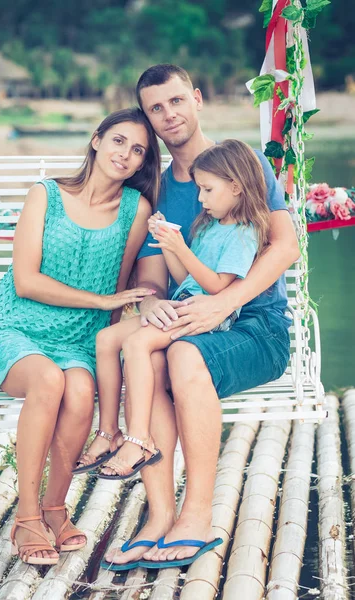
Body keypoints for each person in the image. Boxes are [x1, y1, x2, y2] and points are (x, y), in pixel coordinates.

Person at [103, 65, 299, 570]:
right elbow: (152, 282)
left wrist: (226, 301)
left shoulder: (243, 164)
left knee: (181, 354)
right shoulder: (160, 193)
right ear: (148, 117)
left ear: (196, 97)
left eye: (175, 101)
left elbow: (285, 246)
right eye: (155, 109)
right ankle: (160, 515)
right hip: (193, 317)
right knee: (146, 355)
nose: (169, 115)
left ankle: (197, 514)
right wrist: (150, 305)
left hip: (256, 327)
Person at [0, 107, 161, 565]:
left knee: (80, 390)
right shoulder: (44, 195)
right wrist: (102, 302)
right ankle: (27, 517)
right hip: (11, 327)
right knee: (49, 381)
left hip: (76, 338)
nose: (125, 154)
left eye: (138, 150)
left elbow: (121, 283)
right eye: (118, 141)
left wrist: (111, 346)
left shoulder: (136, 209)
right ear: (96, 140)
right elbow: (26, 281)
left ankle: (54, 509)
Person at [74, 140, 269, 483]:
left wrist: (181, 247)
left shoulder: (244, 233)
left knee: (136, 346)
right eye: (199, 190)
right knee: (106, 339)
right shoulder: (209, 224)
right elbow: (185, 278)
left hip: (205, 315)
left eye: (208, 190)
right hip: (183, 304)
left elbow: (217, 287)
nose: (201, 199)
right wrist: (167, 244)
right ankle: (109, 432)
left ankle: (139, 440)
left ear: (236, 187)